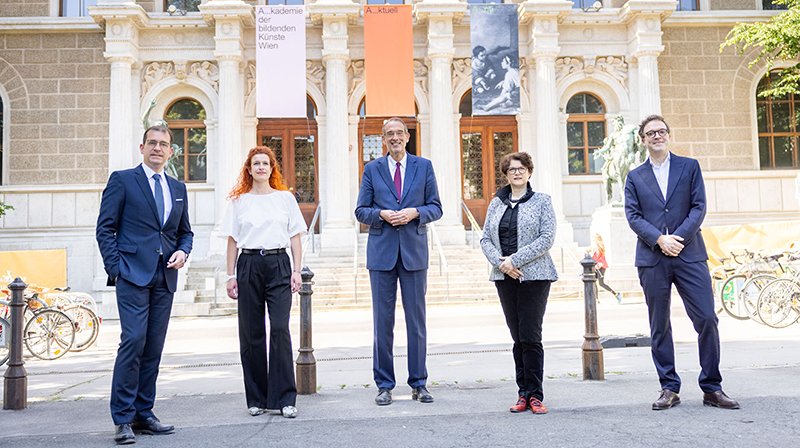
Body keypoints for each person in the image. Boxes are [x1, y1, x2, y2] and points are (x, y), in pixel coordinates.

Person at [624, 114, 739, 411]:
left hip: (689, 255)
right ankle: (669, 387)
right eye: (651, 133)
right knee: (659, 325)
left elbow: (699, 206)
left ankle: (712, 387)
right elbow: (633, 216)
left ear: (669, 135)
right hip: (652, 258)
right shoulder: (635, 176)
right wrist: (660, 240)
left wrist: (678, 238)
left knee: (707, 319)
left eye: (661, 131)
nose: (657, 136)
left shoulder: (689, 167)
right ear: (643, 140)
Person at [96, 125, 194, 445]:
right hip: (132, 274)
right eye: (152, 143)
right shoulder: (123, 180)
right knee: (133, 341)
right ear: (142, 147)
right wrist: (117, 269)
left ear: (170, 151)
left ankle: (144, 412)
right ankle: (122, 418)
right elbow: (105, 229)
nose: (157, 148)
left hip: (165, 277)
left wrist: (183, 251)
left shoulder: (178, 187)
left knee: (153, 346)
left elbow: (185, 232)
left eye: (163, 144)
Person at [354, 117, 443, 406]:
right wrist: (380, 215)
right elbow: (361, 211)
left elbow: (436, 208)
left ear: (407, 137)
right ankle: (384, 385)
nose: (394, 138)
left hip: (414, 254)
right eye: (389, 134)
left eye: (399, 133)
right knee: (383, 323)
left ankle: (419, 383)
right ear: (383, 139)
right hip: (381, 255)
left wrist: (415, 212)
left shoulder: (424, 166)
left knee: (416, 323)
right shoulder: (372, 169)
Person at [220, 146, 306, 419]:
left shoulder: (284, 199)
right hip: (248, 265)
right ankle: (256, 397)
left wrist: (296, 270)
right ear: (249, 169)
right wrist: (230, 275)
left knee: (280, 328)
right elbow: (232, 241)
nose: (260, 167)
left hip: (279, 264)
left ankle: (285, 398)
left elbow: (295, 236)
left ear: (271, 169)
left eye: (265, 163)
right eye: (255, 163)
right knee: (251, 332)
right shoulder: (238, 201)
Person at [480, 152, 558, 415]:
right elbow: (485, 239)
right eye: (512, 169)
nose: (517, 173)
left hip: (534, 276)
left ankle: (536, 395)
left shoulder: (542, 202)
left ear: (529, 172)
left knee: (531, 336)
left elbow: (546, 238)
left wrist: (514, 260)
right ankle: (522, 393)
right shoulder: (496, 204)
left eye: (521, 168)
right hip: (504, 277)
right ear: (506, 174)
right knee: (517, 337)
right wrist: (502, 264)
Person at [590, 233, 622, 303]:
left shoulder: (600, 247)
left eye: (594, 239)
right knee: (593, 282)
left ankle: (616, 294)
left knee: (601, 283)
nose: (592, 240)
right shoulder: (594, 248)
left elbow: (601, 258)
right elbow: (594, 257)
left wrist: (599, 264)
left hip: (602, 266)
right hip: (596, 267)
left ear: (596, 239)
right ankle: (596, 299)